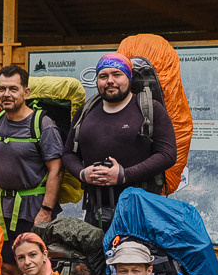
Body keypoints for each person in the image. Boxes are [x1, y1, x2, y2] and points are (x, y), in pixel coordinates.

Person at [62, 53, 176, 230]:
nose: (110, 81)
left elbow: (167, 154)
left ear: (129, 78)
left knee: (133, 258)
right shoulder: (86, 110)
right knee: (96, 257)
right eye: (103, 76)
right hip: (95, 211)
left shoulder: (150, 109)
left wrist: (124, 175)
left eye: (117, 74)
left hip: (141, 210)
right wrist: (83, 173)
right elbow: (69, 153)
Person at [0, 65, 63, 275]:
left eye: (13, 89)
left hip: (33, 208)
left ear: (26, 92)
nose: (6, 94)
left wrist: (46, 209)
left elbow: (56, 169)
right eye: (2, 89)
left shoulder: (42, 125)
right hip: (2, 208)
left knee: (34, 268)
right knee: (6, 269)